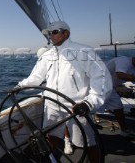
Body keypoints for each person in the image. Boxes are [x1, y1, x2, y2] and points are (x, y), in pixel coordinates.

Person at [14, 21, 112, 162]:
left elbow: (102, 78)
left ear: (66, 33)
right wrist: (19, 86)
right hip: (52, 106)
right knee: (50, 137)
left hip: (77, 107)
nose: (50, 36)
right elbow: (36, 77)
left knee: (88, 142)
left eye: (54, 32)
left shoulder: (84, 52)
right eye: (48, 33)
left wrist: (89, 103)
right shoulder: (47, 55)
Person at [97, 56, 135, 137]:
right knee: (92, 108)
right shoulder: (124, 60)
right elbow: (120, 75)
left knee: (118, 107)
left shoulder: (133, 68)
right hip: (100, 85)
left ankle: (124, 130)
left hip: (110, 87)